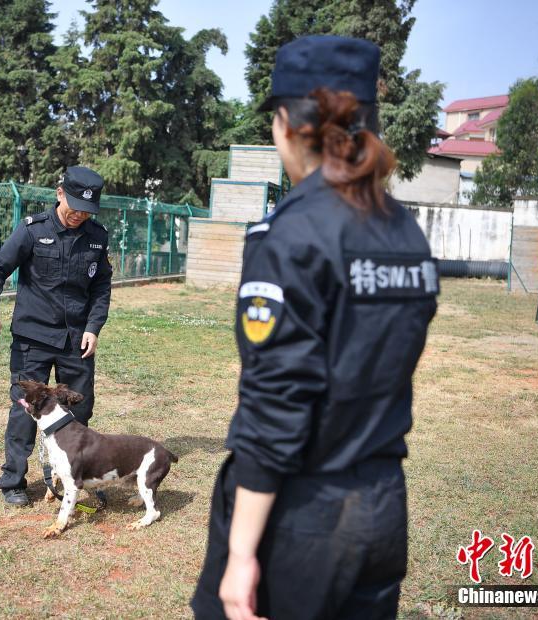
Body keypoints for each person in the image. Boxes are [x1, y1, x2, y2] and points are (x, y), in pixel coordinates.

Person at [191, 35, 439, 619]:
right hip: (380, 506)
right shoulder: (405, 233)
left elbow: (276, 403)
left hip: (302, 519)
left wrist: (243, 552)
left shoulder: (292, 234)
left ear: (286, 124)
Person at [0, 166, 113, 507]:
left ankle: (74, 477)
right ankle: (13, 481)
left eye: (87, 210)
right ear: (59, 194)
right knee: (25, 413)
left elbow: (101, 287)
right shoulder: (31, 231)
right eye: (74, 207)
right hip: (33, 339)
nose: (79, 215)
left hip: (76, 341)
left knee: (79, 413)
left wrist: (93, 327)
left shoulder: (97, 236)